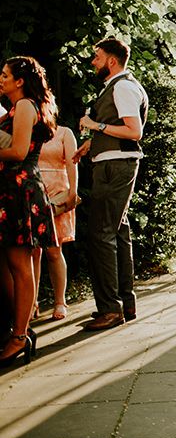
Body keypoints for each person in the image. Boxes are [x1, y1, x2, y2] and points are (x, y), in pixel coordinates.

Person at [73, 38, 148, 331]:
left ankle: (110, 309)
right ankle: (124, 305)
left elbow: (134, 131)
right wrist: (92, 144)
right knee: (118, 232)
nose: (93, 61)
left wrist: (95, 125)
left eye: (97, 57)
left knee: (100, 234)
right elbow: (120, 128)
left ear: (112, 61)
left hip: (115, 168)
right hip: (112, 162)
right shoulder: (118, 87)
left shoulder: (123, 87)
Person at [0, 56, 58, 366]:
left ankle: (19, 336)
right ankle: (20, 327)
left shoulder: (24, 106)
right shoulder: (19, 106)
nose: (1, 78)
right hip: (12, 190)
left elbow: (19, 151)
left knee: (19, 264)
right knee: (11, 263)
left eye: (5, 74)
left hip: (19, 190)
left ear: (20, 81)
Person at [33, 125, 78, 320]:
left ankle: (60, 301)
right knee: (32, 251)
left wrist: (73, 192)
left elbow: (72, 163)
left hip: (57, 193)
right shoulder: (25, 130)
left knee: (54, 250)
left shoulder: (64, 133)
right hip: (33, 191)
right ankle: (31, 303)